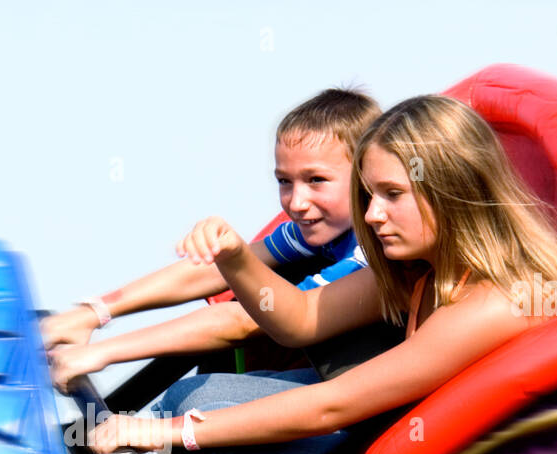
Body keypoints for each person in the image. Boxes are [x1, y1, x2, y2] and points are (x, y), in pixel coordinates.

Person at [88, 95, 557, 454]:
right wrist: (234, 257)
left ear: (451, 187)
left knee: (203, 445)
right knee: (192, 403)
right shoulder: (425, 271)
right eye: (369, 195)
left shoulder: (499, 301)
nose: (371, 215)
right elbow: (301, 317)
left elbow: (334, 405)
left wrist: (172, 431)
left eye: (392, 195)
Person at [43, 87, 383, 394]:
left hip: (366, 394)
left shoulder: (369, 251)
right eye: (284, 181)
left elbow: (244, 320)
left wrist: (101, 353)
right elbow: (217, 269)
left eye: (316, 180)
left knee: (194, 398)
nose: (296, 202)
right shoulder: (324, 227)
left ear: (366, 176)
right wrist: (93, 312)